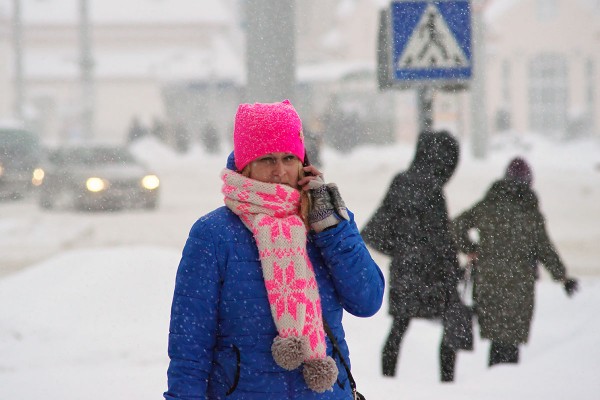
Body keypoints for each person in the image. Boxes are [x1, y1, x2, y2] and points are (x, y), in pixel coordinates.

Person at [164, 99, 384, 399]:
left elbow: (367, 300)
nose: (280, 170)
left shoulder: (324, 224)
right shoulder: (214, 235)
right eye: (267, 159)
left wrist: (333, 229)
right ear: (246, 165)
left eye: (289, 158)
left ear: (303, 163)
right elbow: (189, 346)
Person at [452, 157, 579, 367]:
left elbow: (456, 226)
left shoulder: (489, 205)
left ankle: (493, 383)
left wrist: (471, 249)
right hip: (518, 289)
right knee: (511, 343)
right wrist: (563, 277)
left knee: (496, 341)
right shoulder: (530, 214)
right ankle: (507, 385)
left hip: (488, 283)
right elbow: (545, 250)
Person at [361, 130, 465, 382]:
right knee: (452, 323)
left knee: (398, 326)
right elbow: (441, 237)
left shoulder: (401, 181)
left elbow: (377, 228)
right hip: (433, 273)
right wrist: (454, 268)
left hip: (404, 269)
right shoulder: (433, 189)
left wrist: (403, 249)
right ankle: (447, 382)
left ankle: (387, 379)